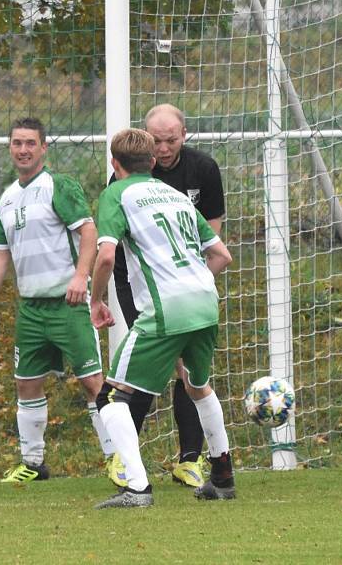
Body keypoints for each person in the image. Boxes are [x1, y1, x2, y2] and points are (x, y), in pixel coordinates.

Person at [0, 117, 115, 483]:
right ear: (10, 148)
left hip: (68, 304)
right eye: (17, 143)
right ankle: (33, 463)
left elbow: (89, 231)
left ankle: (117, 457)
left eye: (31, 143)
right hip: (30, 309)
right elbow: (0, 255)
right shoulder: (7, 198)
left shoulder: (58, 187)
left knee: (93, 382)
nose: (23, 150)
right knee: (26, 383)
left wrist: (81, 276)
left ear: (44, 148)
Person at [90, 128, 233, 508]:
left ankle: (137, 488)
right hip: (205, 299)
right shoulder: (177, 197)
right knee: (197, 386)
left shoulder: (116, 194)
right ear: (152, 162)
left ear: (114, 163)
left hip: (167, 307)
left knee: (110, 397)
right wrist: (191, 281)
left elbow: (106, 256)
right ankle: (222, 476)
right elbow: (222, 255)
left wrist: (95, 301)